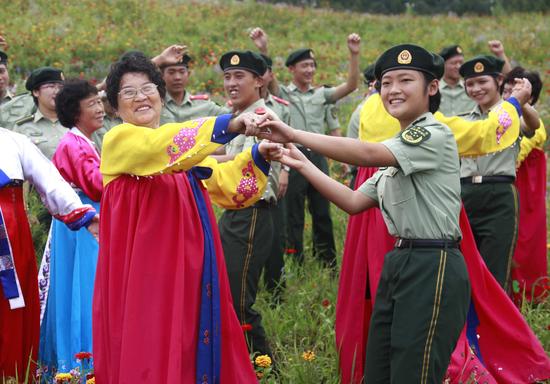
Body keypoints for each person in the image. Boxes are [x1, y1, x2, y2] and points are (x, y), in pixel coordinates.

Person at [256, 43, 472, 383]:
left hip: (434, 264)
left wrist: (294, 133)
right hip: (400, 262)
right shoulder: (400, 150)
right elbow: (354, 202)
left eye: (405, 80)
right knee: (379, 370)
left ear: (432, 87)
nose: (393, 90)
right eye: (386, 82)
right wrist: (299, 161)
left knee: (412, 373)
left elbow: (368, 153)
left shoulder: (432, 133)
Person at [92, 52, 277, 383]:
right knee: (152, 333)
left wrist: (258, 154)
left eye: (148, 88)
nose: (141, 97)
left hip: (190, 265)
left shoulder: (181, 153)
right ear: (116, 108)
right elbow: (160, 147)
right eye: (128, 93)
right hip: (146, 269)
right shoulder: (120, 139)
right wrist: (232, 124)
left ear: (160, 96)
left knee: (190, 332)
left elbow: (224, 182)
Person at [250, 27, 360, 267]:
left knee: (322, 213)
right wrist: (263, 49)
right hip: (293, 155)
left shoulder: (322, 95)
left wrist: (354, 54)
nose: (310, 70)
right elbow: (268, 76)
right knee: (294, 214)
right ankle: (295, 259)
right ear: (292, 69)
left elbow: (351, 86)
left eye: (312, 65)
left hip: (318, 156)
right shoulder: (283, 93)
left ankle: (327, 262)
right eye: (304, 66)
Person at [0, 128, 98, 379]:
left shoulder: (12, 140)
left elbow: (50, 180)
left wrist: (81, 213)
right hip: (10, 236)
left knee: (11, 313)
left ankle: (12, 374)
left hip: (10, 240)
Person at [38, 79, 104, 375]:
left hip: (82, 222)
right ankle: (83, 364)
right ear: (75, 113)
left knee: (84, 289)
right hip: (82, 225)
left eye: (100, 102)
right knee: (85, 290)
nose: (100, 108)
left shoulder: (83, 141)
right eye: (92, 104)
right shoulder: (73, 144)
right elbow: (97, 185)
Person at [459, 55, 536, 290]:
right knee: (462, 266)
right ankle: (466, 326)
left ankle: (494, 326)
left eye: (483, 82)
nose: (476, 89)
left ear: (499, 81)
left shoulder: (512, 115)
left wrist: (519, 102)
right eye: (470, 84)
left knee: (495, 268)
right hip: (465, 194)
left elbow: (533, 126)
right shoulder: (464, 120)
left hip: (500, 195)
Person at [503, 67, 548, 304]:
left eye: (515, 90)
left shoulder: (533, 124)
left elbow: (517, 155)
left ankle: (527, 297)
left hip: (521, 190)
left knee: (524, 243)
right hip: (515, 187)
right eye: (507, 89)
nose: (509, 94)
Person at [258, 52, 291, 304]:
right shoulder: (229, 111)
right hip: (246, 191)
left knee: (276, 236)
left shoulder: (279, 107)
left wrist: (285, 173)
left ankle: (276, 290)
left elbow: (287, 143)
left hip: (274, 181)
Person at [159, 52, 228, 124]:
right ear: (161, 75)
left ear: (188, 74)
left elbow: (232, 115)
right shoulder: (155, 104)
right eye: (171, 72)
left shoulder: (203, 105)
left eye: (182, 72)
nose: (177, 77)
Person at [438, 45, 476, 116]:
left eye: (461, 63)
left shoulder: (471, 89)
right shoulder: (435, 90)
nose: (458, 66)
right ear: (443, 65)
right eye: (453, 63)